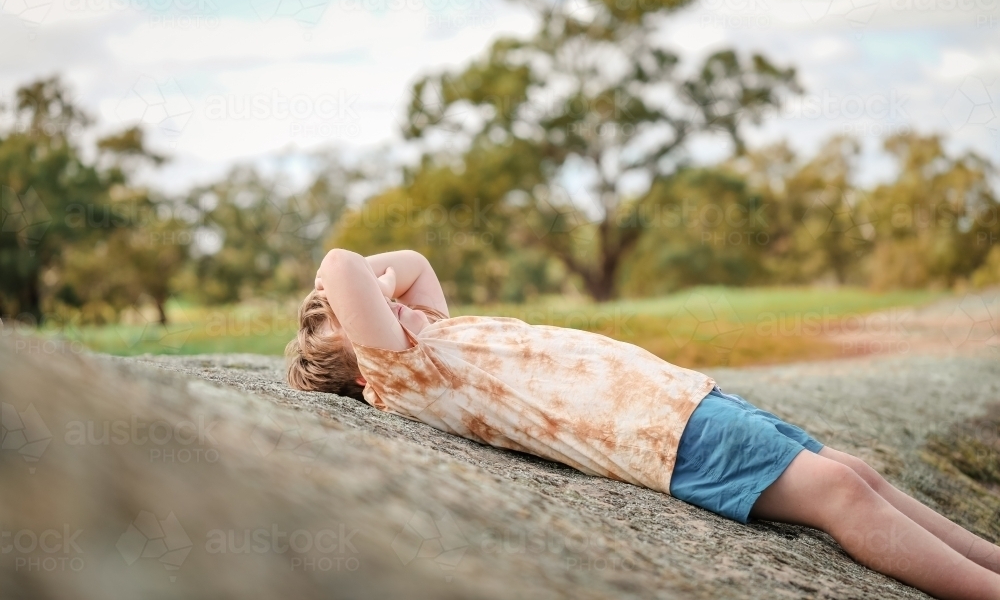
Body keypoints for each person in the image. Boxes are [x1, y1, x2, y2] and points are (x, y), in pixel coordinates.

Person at [287, 249, 1000, 600]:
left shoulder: (429, 335)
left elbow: (411, 265)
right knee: (839, 497)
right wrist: (368, 297)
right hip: (656, 435)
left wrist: (390, 295)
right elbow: (342, 266)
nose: (399, 304)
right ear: (364, 369)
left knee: (854, 472)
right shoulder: (401, 373)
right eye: (374, 319)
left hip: (679, 395)